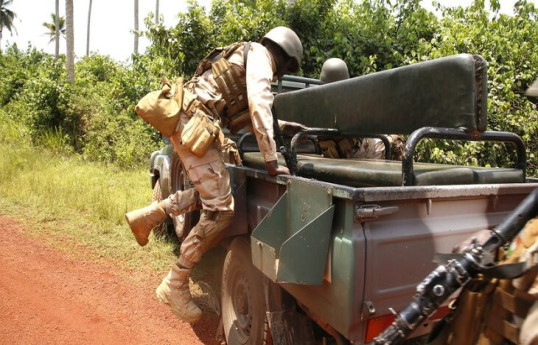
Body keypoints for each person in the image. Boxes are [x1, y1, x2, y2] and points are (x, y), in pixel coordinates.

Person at [124, 26, 304, 324]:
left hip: (188, 118)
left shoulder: (244, 56)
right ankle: (176, 283)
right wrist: (273, 162)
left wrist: (284, 127)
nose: (281, 74)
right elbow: (260, 106)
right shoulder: (260, 56)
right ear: (283, 56)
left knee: (213, 194)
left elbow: (246, 118)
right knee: (222, 209)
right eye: (286, 67)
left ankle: (151, 215)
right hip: (195, 122)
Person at [317, 58, 405, 160]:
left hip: (339, 148)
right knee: (397, 144)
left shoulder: (318, 101)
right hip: (354, 151)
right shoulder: (349, 102)